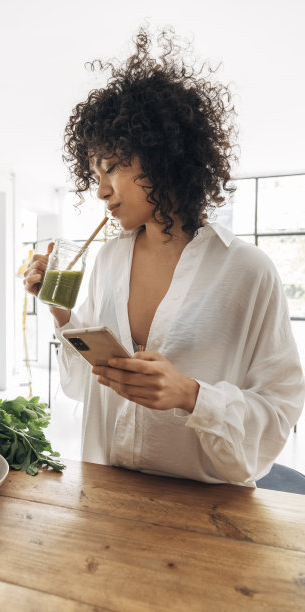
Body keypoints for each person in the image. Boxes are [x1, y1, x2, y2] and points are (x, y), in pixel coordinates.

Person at [24, 27, 304, 487]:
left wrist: (192, 395)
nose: (100, 190)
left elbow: (280, 409)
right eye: (93, 172)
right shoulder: (108, 261)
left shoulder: (248, 271)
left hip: (208, 511)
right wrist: (62, 314)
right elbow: (82, 386)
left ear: (162, 155)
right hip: (108, 497)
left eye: (111, 166)